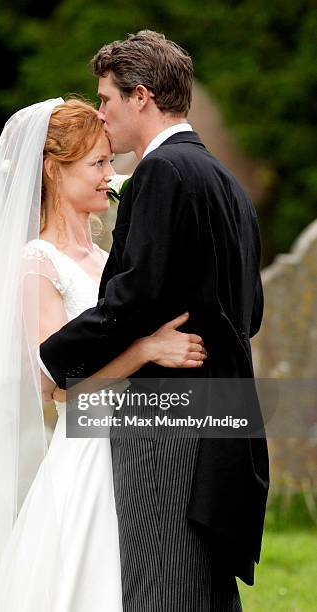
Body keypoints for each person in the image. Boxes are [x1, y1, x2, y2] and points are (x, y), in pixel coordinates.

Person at [0, 97, 206, 611]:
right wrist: (147, 349)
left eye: (110, 162)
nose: (111, 176)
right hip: (86, 451)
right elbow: (55, 387)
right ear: (53, 171)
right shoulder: (38, 263)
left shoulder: (109, 259)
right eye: (98, 164)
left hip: (135, 444)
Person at [40, 31, 269, 611]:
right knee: (202, 589)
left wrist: (55, 358)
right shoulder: (225, 182)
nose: (102, 114)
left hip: (166, 421)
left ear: (140, 96)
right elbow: (253, 312)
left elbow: (131, 300)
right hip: (225, 420)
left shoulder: (163, 172)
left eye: (107, 100)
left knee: (161, 586)